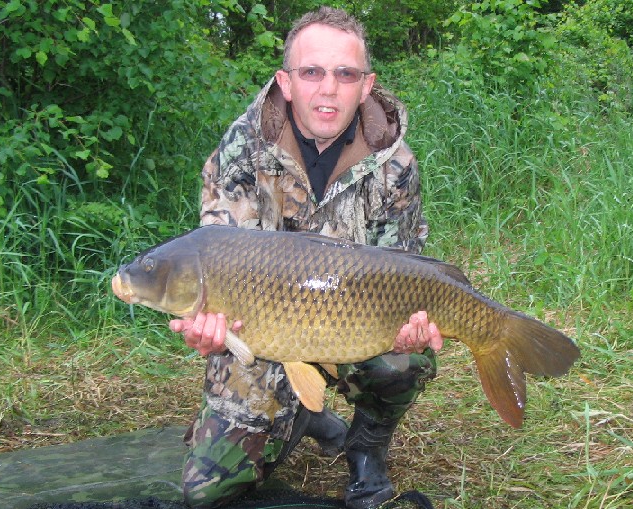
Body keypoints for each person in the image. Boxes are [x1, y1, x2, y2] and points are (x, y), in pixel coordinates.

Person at [169, 7, 443, 509]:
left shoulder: (396, 167)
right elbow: (217, 259)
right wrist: (208, 326)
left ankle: (366, 447)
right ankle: (303, 411)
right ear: (286, 82)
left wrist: (411, 325)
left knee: (405, 358)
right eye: (311, 71)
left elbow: (404, 271)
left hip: (355, 325)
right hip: (263, 335)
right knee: (206, 493)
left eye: (345, 74)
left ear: (366, 85)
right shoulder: (241, 151)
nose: (329, 88)